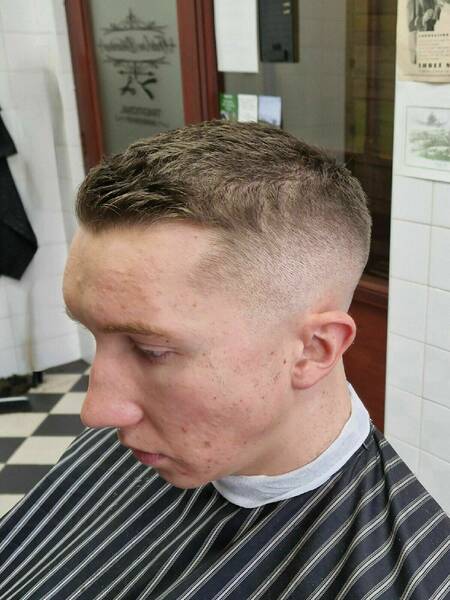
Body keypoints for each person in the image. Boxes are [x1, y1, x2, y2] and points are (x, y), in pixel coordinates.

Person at [0, 121, 448, 599]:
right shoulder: (140, 443)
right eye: (93, 334)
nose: (96, 412)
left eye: (152, 351)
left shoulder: (408, 581)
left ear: (314, 349)